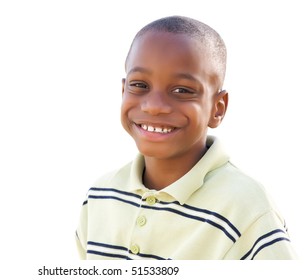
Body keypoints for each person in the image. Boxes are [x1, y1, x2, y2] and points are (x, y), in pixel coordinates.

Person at [75, 15, 297, 260]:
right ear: (122, 90)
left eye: (182, 90)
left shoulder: (247, 209)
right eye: (139, 85)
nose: (154, 107)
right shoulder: (100, 196)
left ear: (218, 108)